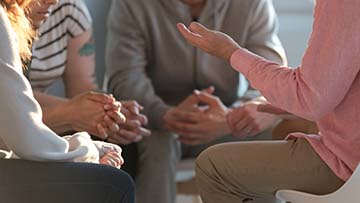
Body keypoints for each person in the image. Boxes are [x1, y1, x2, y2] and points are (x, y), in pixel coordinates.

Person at [177, 0, 360, 202]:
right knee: (286, 128)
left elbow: (310, 96)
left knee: (212, 168)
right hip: (170, 120)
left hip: (350, 163)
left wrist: (231, 53)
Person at [105, 0, 286, 202]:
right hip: (157, 122)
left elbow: (272, 77)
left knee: (285, 128)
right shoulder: (132, 4)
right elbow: (125, 77)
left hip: (226, 120)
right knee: (157, 143)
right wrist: (164, 115)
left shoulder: (252, 4)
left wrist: (232, 117)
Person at [0, 0, 134, 202]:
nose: (53, 1)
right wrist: (88, 151)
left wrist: (106, 113)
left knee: (125, 149)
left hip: (21, 137)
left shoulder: (70, 11)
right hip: (22, 139)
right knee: (114, 184)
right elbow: (23, 135)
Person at [28, 0, 150, 145]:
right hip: (13, 124)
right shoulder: (5, 19)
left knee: (122, 144)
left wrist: (108, 112)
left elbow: (82, 89)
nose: (53, 1)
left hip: (38, 120)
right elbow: (9, 96)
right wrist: (72, 111)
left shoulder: (69, 8)